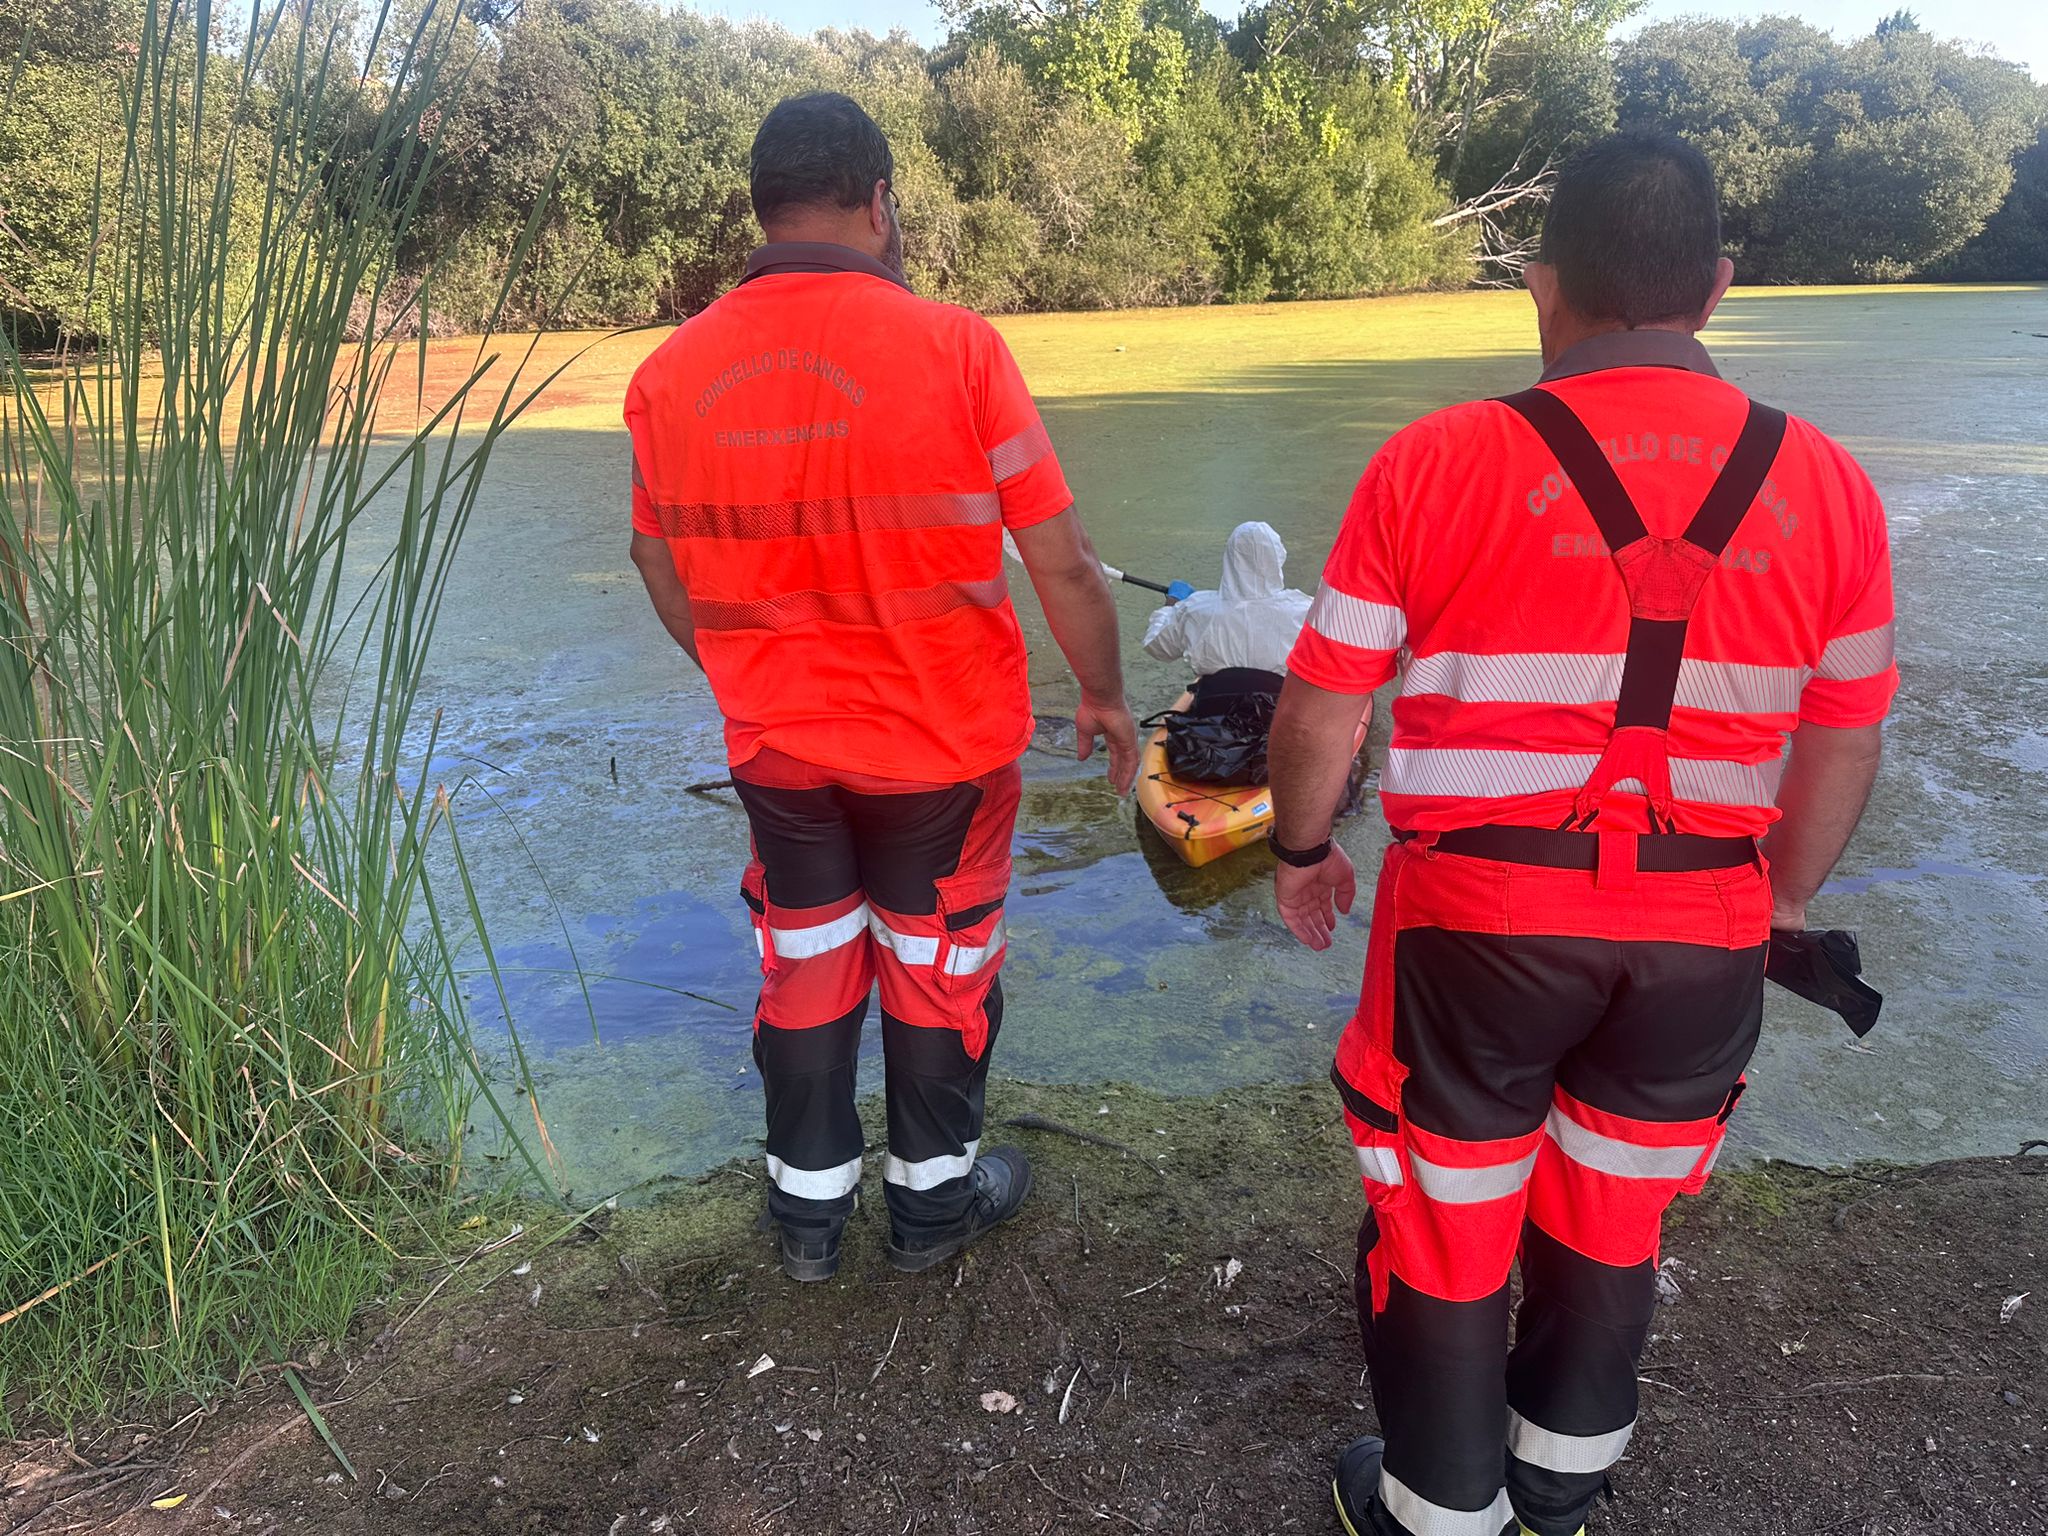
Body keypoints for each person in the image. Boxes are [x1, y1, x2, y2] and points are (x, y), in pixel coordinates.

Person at [1267, 131, 1896, 1536]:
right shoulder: (1835, 488)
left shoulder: (1436, 461)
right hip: (1705, 931)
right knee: (1616, 1207)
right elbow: (1845, 737)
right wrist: (1774, 900)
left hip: (1476, 929)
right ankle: (1559, 1479)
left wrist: (1301, 853)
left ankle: (1439, 1512)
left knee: (1444, 1212)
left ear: (1542, 286)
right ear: (1718, 288)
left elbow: (1322, 708)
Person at [624, 92, 1140, 1284]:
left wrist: (734, 670)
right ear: (879, 203)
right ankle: (930, 1212)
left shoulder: (669, 371)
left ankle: (806, 1221)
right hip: (942, 753)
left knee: (805, 966)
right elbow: (1057, 557)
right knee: (938, 963)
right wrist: (1104, 696)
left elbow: (656, 558)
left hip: (779, 752)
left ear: (760, 209)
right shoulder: (956, 348)